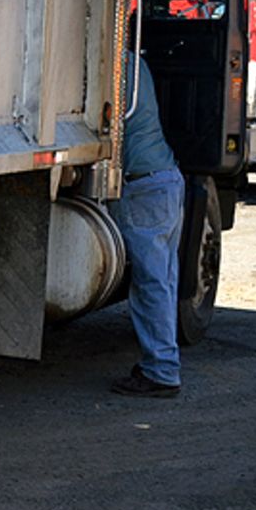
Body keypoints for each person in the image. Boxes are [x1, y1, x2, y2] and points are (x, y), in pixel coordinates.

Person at [109, 51, 185, 397]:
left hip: (144, 188)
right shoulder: (135, 62)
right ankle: (162, 363)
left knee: (151, 283)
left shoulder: (111, 66)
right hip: (166, 179)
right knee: (164, 281)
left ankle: (162, 371)